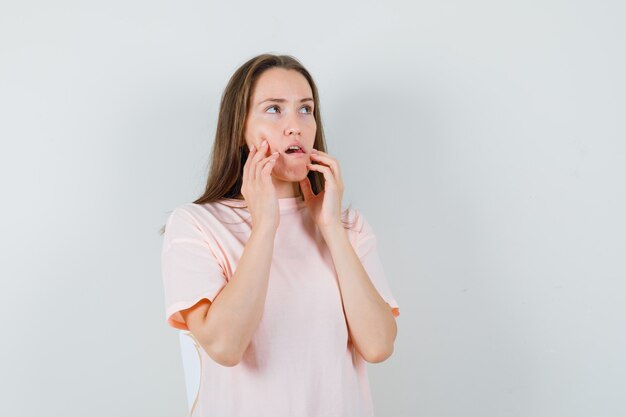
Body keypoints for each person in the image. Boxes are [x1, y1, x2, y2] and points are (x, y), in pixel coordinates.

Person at [160, 53, 400, 417]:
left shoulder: (348, 227)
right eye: (274, 110)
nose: (295, 126)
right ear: (240, 128)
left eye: (306, 110)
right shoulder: (196, 225)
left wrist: (331, 229)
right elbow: (225, 346)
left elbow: (379, 345)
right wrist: (265, 225)